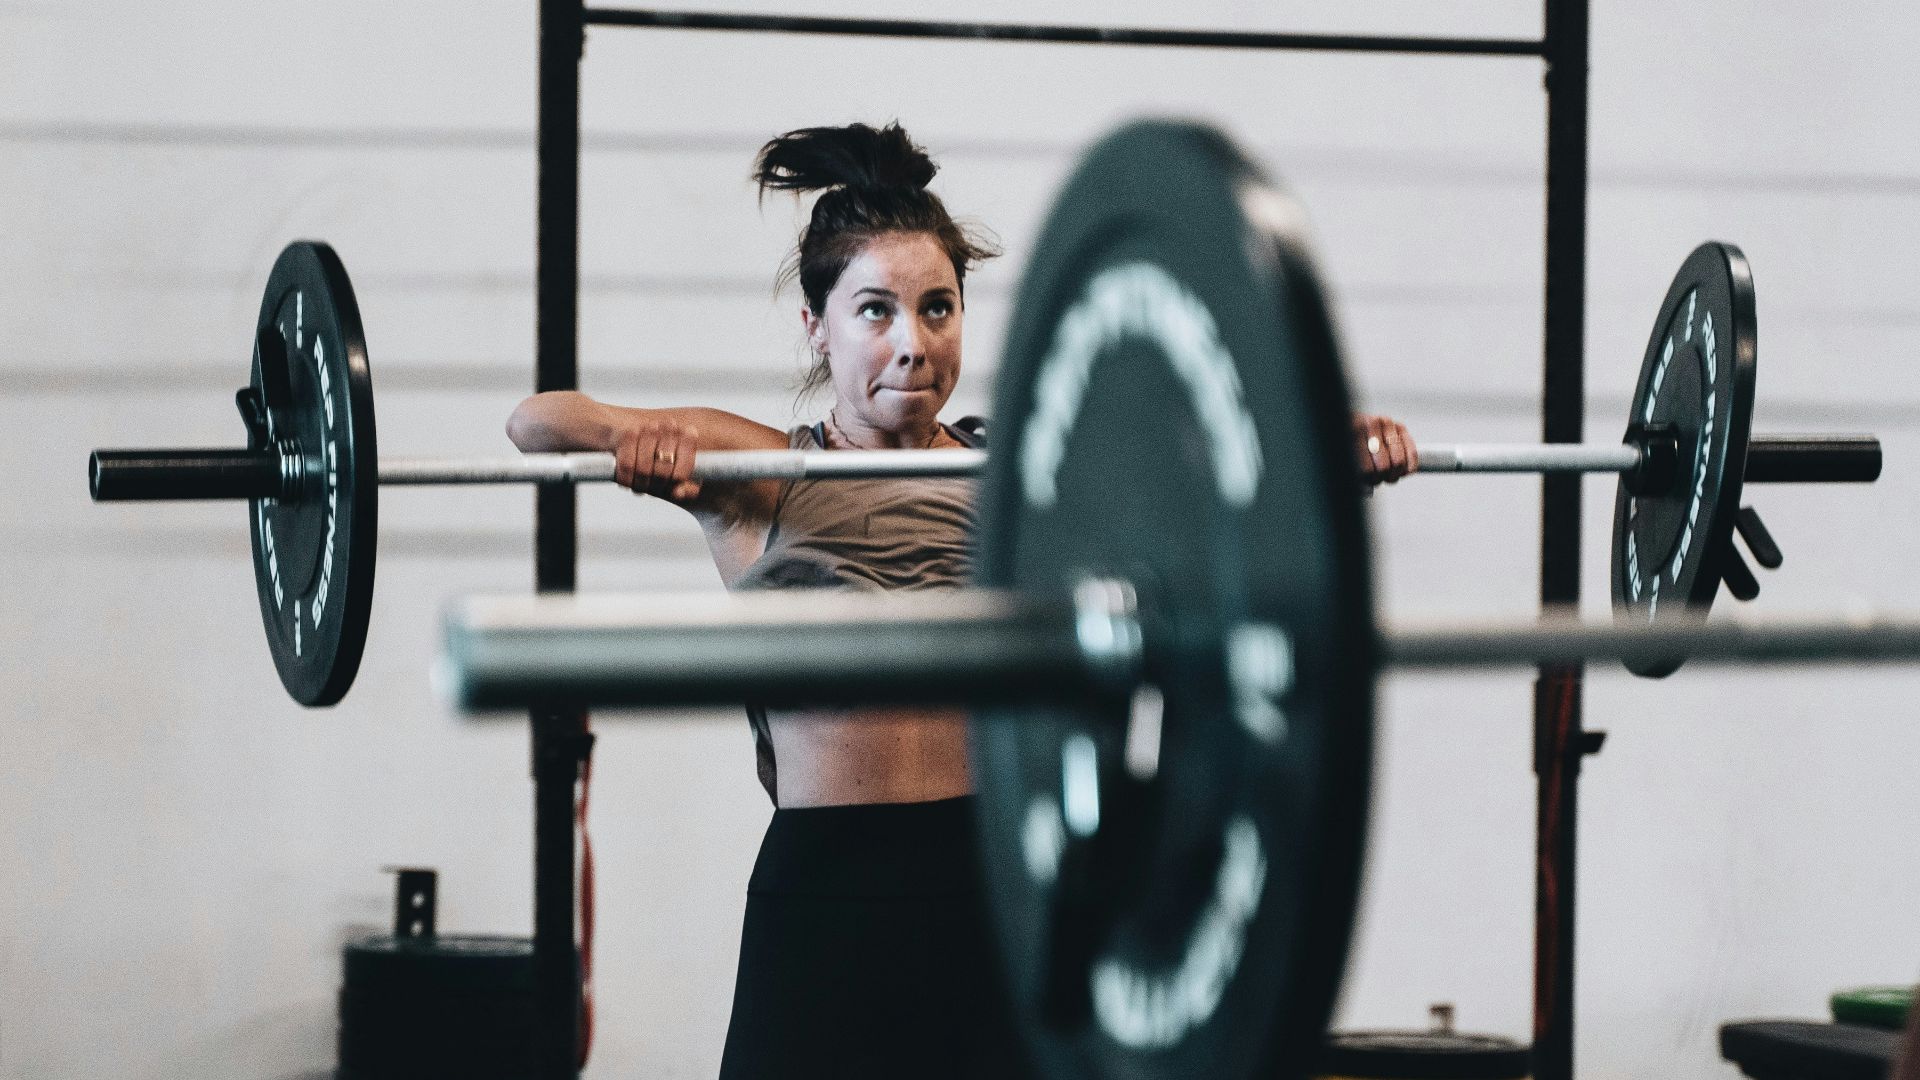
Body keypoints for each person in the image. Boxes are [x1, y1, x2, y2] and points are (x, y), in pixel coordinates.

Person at [505, 120, 1418, 1079]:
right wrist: (643, 442)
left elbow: (1211, 483)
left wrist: (1327, 451)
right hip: (826, 892)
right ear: (816, 326)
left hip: (996, 886)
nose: (911, 344)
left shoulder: (1023, 470)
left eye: (937, 309)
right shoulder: (765, 472)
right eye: (875, 312)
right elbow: (538, 424)